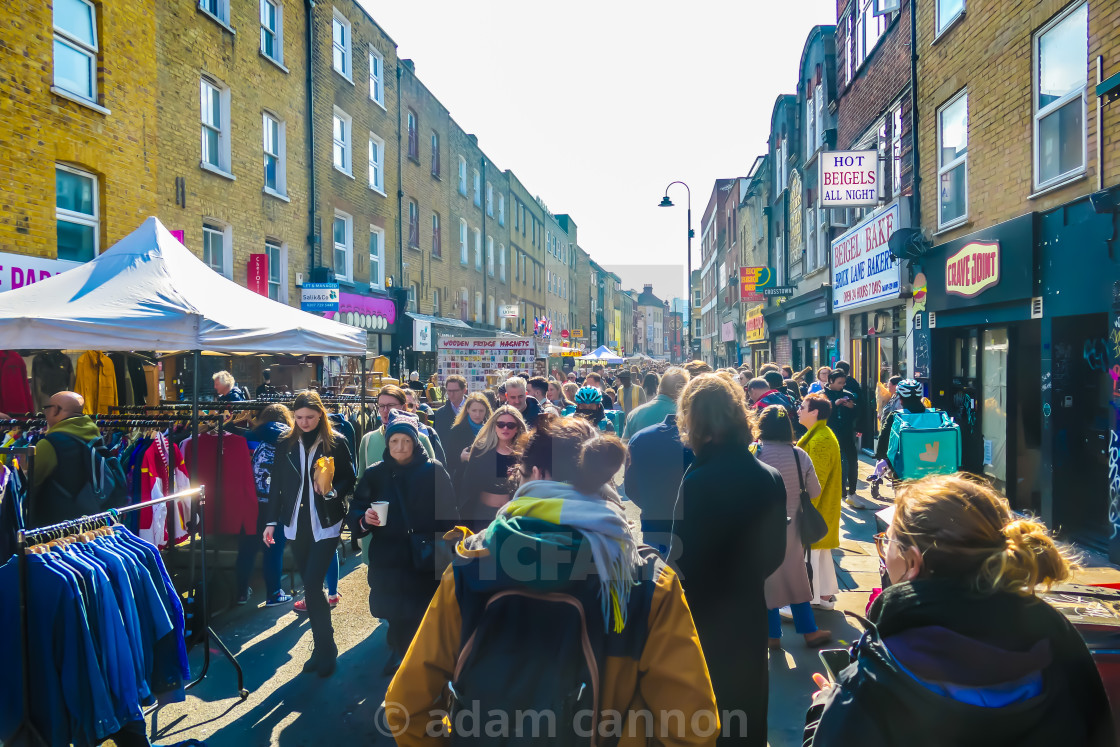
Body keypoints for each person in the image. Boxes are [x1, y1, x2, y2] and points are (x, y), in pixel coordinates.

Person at [384, 414, 719, 743]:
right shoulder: (645, 577)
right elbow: (690, 727)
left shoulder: (473, 560)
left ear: (537, 473)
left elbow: (406, 708)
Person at [803, 474, 1115, 747]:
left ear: (913, 562)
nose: (884, 552)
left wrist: (824, 711)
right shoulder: (1058, 637)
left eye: (888, 541)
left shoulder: (874, 676)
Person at [676, 373, 787, 746]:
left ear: (696, 424)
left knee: (709, 704)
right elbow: (774, 554)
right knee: (748, 703)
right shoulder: (769, 476)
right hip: (749, 604)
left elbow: (682, 555)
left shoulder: (697, 480)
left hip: (703, 613)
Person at [347, 410, 456, 676]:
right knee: (393, 610)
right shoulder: (375, 474)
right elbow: (355, 510)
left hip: (426, 553)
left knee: (425, 609)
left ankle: (421, 659)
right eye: (394, 441)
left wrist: (447, 557)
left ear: (415, 442)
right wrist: (365, 519)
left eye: (406, 441)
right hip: (389, 555)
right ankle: (400, 651)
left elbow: (449, 516)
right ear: (387, 443)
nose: (400, 447)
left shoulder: (434, 470)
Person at [262, 391, 357, 677]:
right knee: (310, 584)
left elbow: (349, 477)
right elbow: (276, 484)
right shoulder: (285, 443)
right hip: (294, 521)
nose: (305, 422)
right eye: (299, 417)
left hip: (326, 521)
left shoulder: (336, 442)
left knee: (313, 584)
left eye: (310, 417)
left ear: (321, 416)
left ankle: (326, 649)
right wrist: (270, 522)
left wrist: (333, 490)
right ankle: (321, 647)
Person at [752, 405, 832, 649]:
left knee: (766, 579)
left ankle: (771, 635)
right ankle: (809, 631)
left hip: (762, 527)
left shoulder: (754, 452)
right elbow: (815, 491)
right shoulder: (800, 455)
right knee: (797, 578)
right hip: (794, 528)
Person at [232, 405, 296, 607]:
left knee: (247, 549)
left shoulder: (249, 437)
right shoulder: (291, 439)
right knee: (273, 550)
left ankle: (241, 592)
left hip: (251, 503)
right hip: (276, 504)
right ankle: (274, 593)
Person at [31, 391, 107, 524]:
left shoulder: (49, 444)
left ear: (56, 410)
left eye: (46, 408)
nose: (44, 413)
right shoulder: (96, 437)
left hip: (55, 528)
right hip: (93, 520)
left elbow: (29, 485)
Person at [797, 393, 843, 610]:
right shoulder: (820, 435)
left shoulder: (820, 439)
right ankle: (823, 596)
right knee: (819, 554)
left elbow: (816, 482)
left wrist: (805, 512)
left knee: (812, 553)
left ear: (814, 412)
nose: (798, 410)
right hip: (823, 509)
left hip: (818, 509)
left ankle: (812, 597)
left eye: (803, 407)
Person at [456, 406, 526, 531]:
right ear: (494, 426)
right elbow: (468, 483)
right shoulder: (481, 450)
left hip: (513, 514)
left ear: (517, 428)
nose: (505, 428)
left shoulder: (523, 454)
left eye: (510, 425)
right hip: (483, 514)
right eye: (500, 424)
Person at [357, 385, 436, 475]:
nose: (385, 410)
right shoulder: (368, 440)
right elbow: (360, 480)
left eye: (390, 405)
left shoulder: (421, 439)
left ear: (403, 407)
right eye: (381, 406)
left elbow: (432, 478)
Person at [823, 370, 864, 507]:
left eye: (843, 383)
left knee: (852, 461)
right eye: (839, 382)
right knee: (835, 463)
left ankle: (852, 492)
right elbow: (821, 414)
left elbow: (858, 413)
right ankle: (838, 492)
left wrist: (852, 407)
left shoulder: (848, 395)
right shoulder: (822, 396)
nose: (842, 385)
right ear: (831, 381)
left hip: (846, 432)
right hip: (830, 433)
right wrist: (834, 404)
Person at [623, 366, 689, 440]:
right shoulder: (685, 417)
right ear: (683, 392)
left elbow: (624, 448)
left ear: (659, 387)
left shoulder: (633, 415)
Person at [442, 392, 491, 482]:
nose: (477, 414)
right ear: (467, 409)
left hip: (487, 479)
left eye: (481, 411)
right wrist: (461, 458)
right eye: (474, 410)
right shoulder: (457, 430)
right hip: (464, 480)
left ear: (486, 411)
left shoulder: (492, 429)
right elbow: (448, 461)